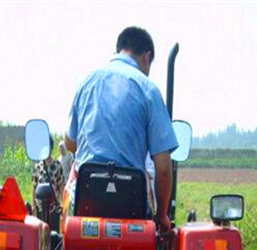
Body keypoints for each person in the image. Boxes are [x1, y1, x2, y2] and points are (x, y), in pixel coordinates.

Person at [65, 26, 179, 230]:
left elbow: (71, 144)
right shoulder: (149, 90)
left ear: (120, 50)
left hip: (85, 202)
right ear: (147, 57)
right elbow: (162, 169)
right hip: (131, 206)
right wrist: (162, 215)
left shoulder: (87, 82)